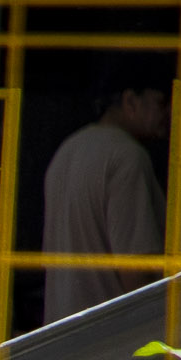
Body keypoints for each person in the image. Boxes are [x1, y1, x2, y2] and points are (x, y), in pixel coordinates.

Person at [45, 56, 171, 324]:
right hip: (110, 343)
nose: (170, 113)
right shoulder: (127, 157)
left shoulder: (67, 150)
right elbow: (138, 274)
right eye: (162, 102)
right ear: (130, 102)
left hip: (60, 338)